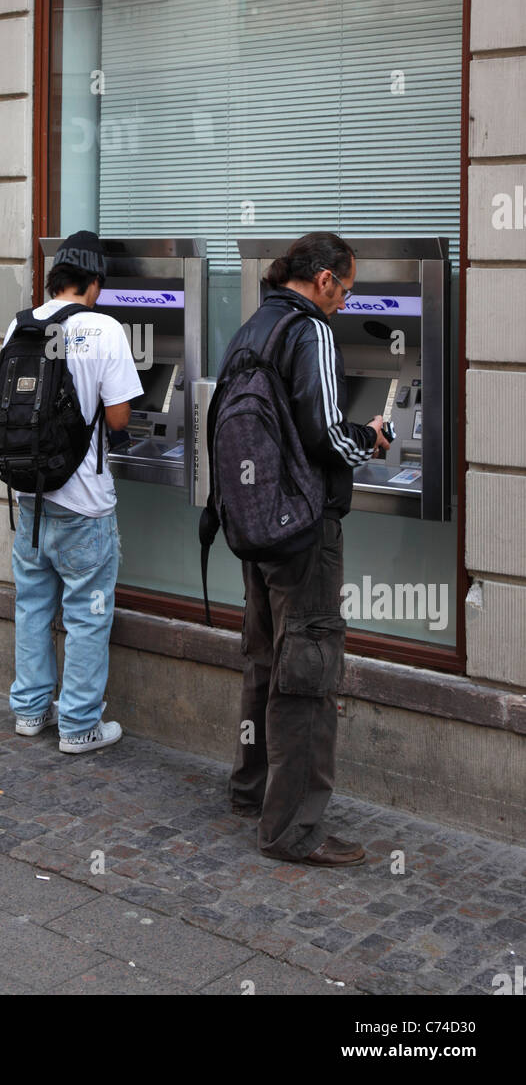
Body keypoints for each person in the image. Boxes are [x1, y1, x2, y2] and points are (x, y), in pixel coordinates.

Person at [222, 232, 389, 867]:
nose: (345, 304)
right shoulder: (310, 331)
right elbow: (324, 436)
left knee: (265, 658)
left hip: (258, 522)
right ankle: (292, 829)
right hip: (302, 530)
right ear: (323, 280)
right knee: (309, 668)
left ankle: (250, 790)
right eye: (346, 291)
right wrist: (371, 438)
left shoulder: (253, 327)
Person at [1, 230, 142, 753]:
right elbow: (120, 416)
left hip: (31, 497)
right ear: (94, 284)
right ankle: (79, 724)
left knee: (33, 605)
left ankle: (30, 711)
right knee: (87, 613)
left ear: (54, 278)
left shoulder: (19, 325)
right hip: (85, 504)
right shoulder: (103, 329)